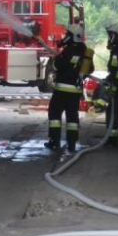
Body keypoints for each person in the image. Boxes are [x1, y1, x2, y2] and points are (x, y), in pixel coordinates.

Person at [45, 23, 90, 152]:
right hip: (75, 90)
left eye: (67, 34)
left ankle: (54, 141)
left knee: (54, 114)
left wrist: (57, 57)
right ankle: (72, 143)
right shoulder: (85, 50)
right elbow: (89, 69)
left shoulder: (68, 50)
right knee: (72, 117)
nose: (65, 36)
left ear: (72, 36)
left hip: (62, 90)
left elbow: (57, 65)